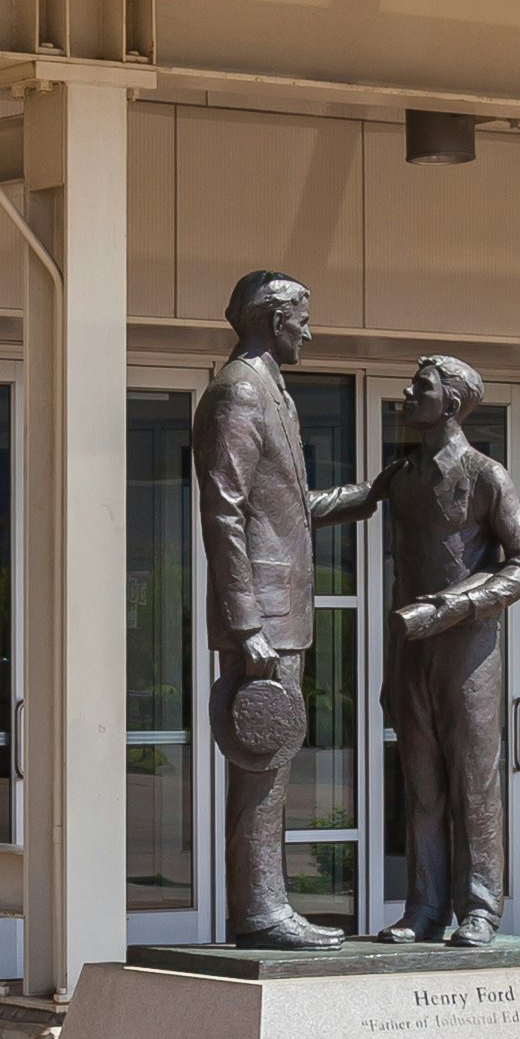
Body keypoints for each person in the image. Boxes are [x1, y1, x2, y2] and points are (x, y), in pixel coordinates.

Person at [191, 272, 378, 949]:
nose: (310, 329)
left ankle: (266, 905)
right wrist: (245, 624)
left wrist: (361, 496)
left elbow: (281, 512)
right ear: (271, 318)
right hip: (261, 617)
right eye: (302, 316)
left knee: (269, 764)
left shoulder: (269, 390)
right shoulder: (239, 391)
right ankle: (259, 911)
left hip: (278, 611)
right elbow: (224, 509)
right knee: (261, 763)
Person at [367, 356, 520, 943]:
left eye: (420, 388)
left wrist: (455, 606)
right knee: (421, 784)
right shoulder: (404, 475)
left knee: (474, 780)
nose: (406, 393)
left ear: (450, 403)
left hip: (467, 650)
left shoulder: (484, 474)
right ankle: (424, 908)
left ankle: (480, 907)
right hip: (412, 651)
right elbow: (353, 502)